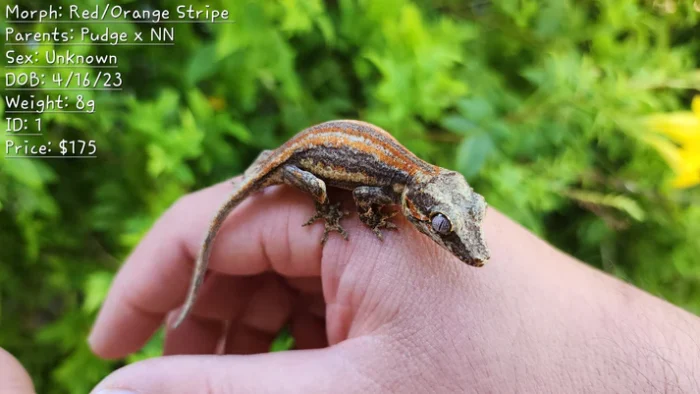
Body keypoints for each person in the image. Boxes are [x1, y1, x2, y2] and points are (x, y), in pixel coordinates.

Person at [3, 180, 699, 393]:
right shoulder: (393, 193)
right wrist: (336, 212)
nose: (465, 247)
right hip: (303, 168)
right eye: (451, 232)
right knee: (315, 193)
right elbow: (337, 188)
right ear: (426, 214)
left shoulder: (421, 193)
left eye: (462, 228)